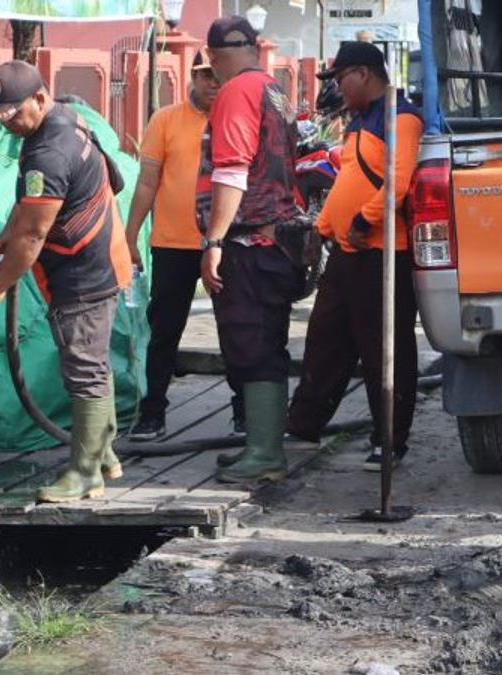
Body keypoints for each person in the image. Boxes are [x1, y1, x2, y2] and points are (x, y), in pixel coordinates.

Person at [0, 60, 133, 503]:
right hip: (103, 255)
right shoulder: (63, 118)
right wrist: (9, 226)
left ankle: (85, 475)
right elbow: (29, 207)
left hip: (83, 272)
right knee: (93, 362)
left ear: (40, 98)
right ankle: (104, 455)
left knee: (84, 367)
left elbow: (33, 234)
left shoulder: (49, 150)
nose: (8, 127)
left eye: (13, 115)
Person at [285, 41, 424, 471]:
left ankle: (389, 439)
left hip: (381, 252)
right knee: (325, 339)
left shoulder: (401, 116)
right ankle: (303, 425)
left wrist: (363, 221)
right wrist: (322, 228)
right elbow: (349, 176)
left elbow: (397, 181)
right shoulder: (359, 119)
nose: (338, 89)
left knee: (383, 349)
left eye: (342, 78)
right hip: (346, 250)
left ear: (363, 74)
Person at [196, 16, 304, 484]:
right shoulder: (274, 90)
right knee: (264, 342)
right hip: (277, 239)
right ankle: (262, 444)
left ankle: (264, 453)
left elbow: (232, 171)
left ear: (216, 59)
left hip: (251, 240)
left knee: (253, 345)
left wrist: (214, 241)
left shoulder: (237, 92)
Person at [126, 49, 248, 441]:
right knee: (164, 330)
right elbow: (147, 183)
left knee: (235, 329)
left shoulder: (238, 116)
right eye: (205, 75)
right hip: (172, 244)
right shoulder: (165, 120)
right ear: (193, 77)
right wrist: (130, 235)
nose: (213, 82)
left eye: (218, 74)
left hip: (225, 243)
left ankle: (244, 412)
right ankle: (153, 413)